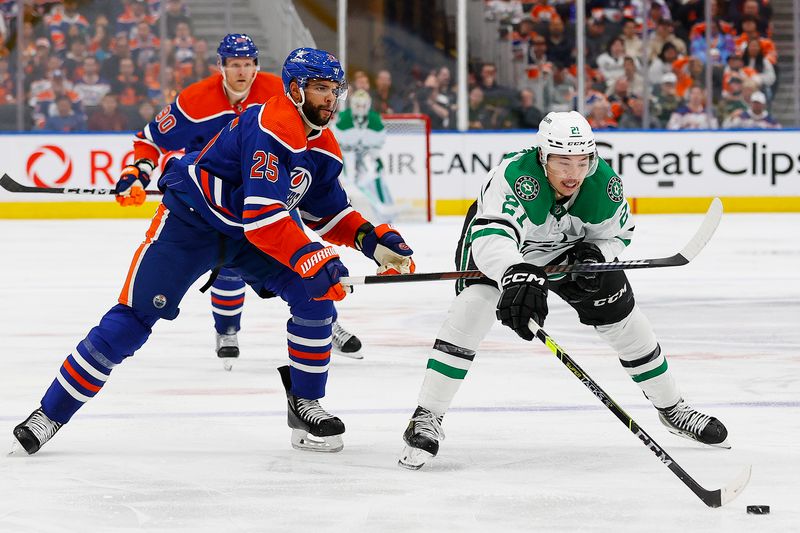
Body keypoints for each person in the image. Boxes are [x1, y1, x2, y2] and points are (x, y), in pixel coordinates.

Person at [12, 47, 416, 457]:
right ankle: (50, 414)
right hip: (193, 223)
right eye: (320, 89)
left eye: (334, 90)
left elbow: (326, 211)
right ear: (295, 90)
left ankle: (305, 402)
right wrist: (314, 256)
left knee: (315, 297)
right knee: (133, 320)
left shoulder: (324, 147)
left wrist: (372, 239)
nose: (330, 99)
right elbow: (263, 215)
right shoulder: (271, 123)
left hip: (246, 234)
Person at [397, 111, 729, 470]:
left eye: (582, 161)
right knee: (473, 308)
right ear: (543, 157)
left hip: (569, 253)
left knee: (625, 322)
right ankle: (427, 416)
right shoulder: (515, 175)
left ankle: (673, 408)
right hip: (508, 252)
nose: (574, 173)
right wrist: (516, 274)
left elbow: (619, 235)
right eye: (562, 161)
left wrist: (598, 254)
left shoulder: (603, 184)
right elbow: (492, 237)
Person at [115, 34, 363, 369]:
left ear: (257, 66)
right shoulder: (194, 100)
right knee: (228, 268)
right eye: (234, 65)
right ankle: (227, 330)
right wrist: (137, 171)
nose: (242, 71)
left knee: (305, 256)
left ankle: (325, 322)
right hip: (215, 199)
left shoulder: (282, 90)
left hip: (274, 193)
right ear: (221, 67)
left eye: (248, 64)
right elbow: (150, 139)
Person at [334, 88, 393, 222]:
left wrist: (373, 160)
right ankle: (343, 214)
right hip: (347, 154)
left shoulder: (375, 120)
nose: (360, 109)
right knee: (345, 181)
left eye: (363, 105)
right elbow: (338, 144)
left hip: (366, 153)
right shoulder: (343, 119)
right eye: (358, 105)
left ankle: (384, 212)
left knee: (375, 176)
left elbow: (376, 147)